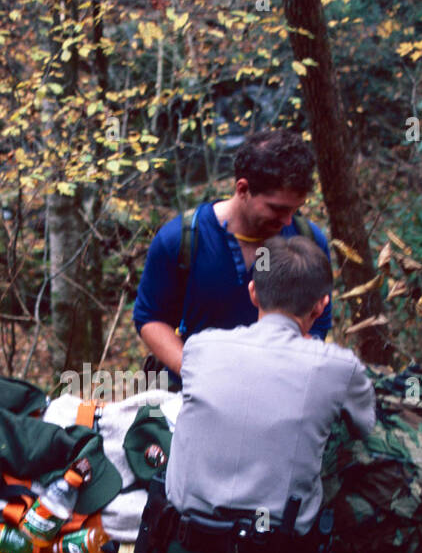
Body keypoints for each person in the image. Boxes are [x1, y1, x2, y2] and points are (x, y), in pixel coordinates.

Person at [124, 235, 375, 553]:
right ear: (322, 305)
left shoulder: (202, 348)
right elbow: (365, 425)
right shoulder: (338, 367)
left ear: (254, 291)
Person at [133, 129, 335, 379]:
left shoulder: (307, 241)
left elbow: (320, 320)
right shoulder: (181, 239)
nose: (287, 220)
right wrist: (194, 371)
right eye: (277, 209)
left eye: (295, 209)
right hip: (197, 394)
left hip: (278, 389)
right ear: (242, 189)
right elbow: (150, 317)